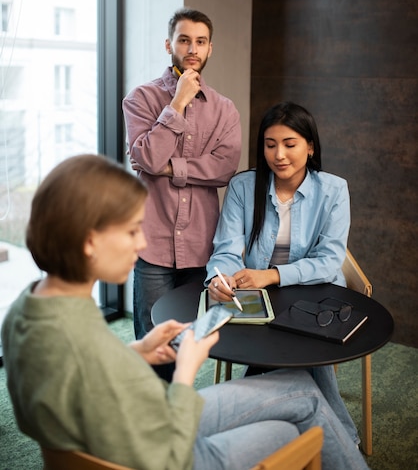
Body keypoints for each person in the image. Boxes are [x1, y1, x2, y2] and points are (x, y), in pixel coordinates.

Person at [1, 154, 370, 470]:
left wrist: (135, 353)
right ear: (90, 241)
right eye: (132, 231)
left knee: (299, 388)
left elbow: (82, 376)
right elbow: (172, 454)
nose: (143, 242)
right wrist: (186, 370)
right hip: (172, 451)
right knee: (292, 427)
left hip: (128, 428)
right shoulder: (87, 347)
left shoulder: (27, 309)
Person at [205, 101, 359, 445]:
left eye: (290, 144)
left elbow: (329, 260)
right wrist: (221, 277)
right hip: (256, 296)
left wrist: (272, 275)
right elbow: (227, 248)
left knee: (306, 349)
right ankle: (337, 439)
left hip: (316, 292)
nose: (279, 155)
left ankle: (322, 435)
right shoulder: (244, 187)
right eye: (270, 144)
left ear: (310, 146)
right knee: (286, 351)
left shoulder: (334, 189)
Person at [122, 7, 241, 350]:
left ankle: (179, 402)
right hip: (152, 243)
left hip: (201, 246)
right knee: (152, 342)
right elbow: (145, 157)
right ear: (168, 44)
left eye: (200, 42)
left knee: (190, 342)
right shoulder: (140, 99)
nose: (192, 49)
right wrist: (176, 104)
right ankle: (153, 404)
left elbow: (224, 169)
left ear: (209, 48)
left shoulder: (225, 109)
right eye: (184, 40)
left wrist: (167, 167)